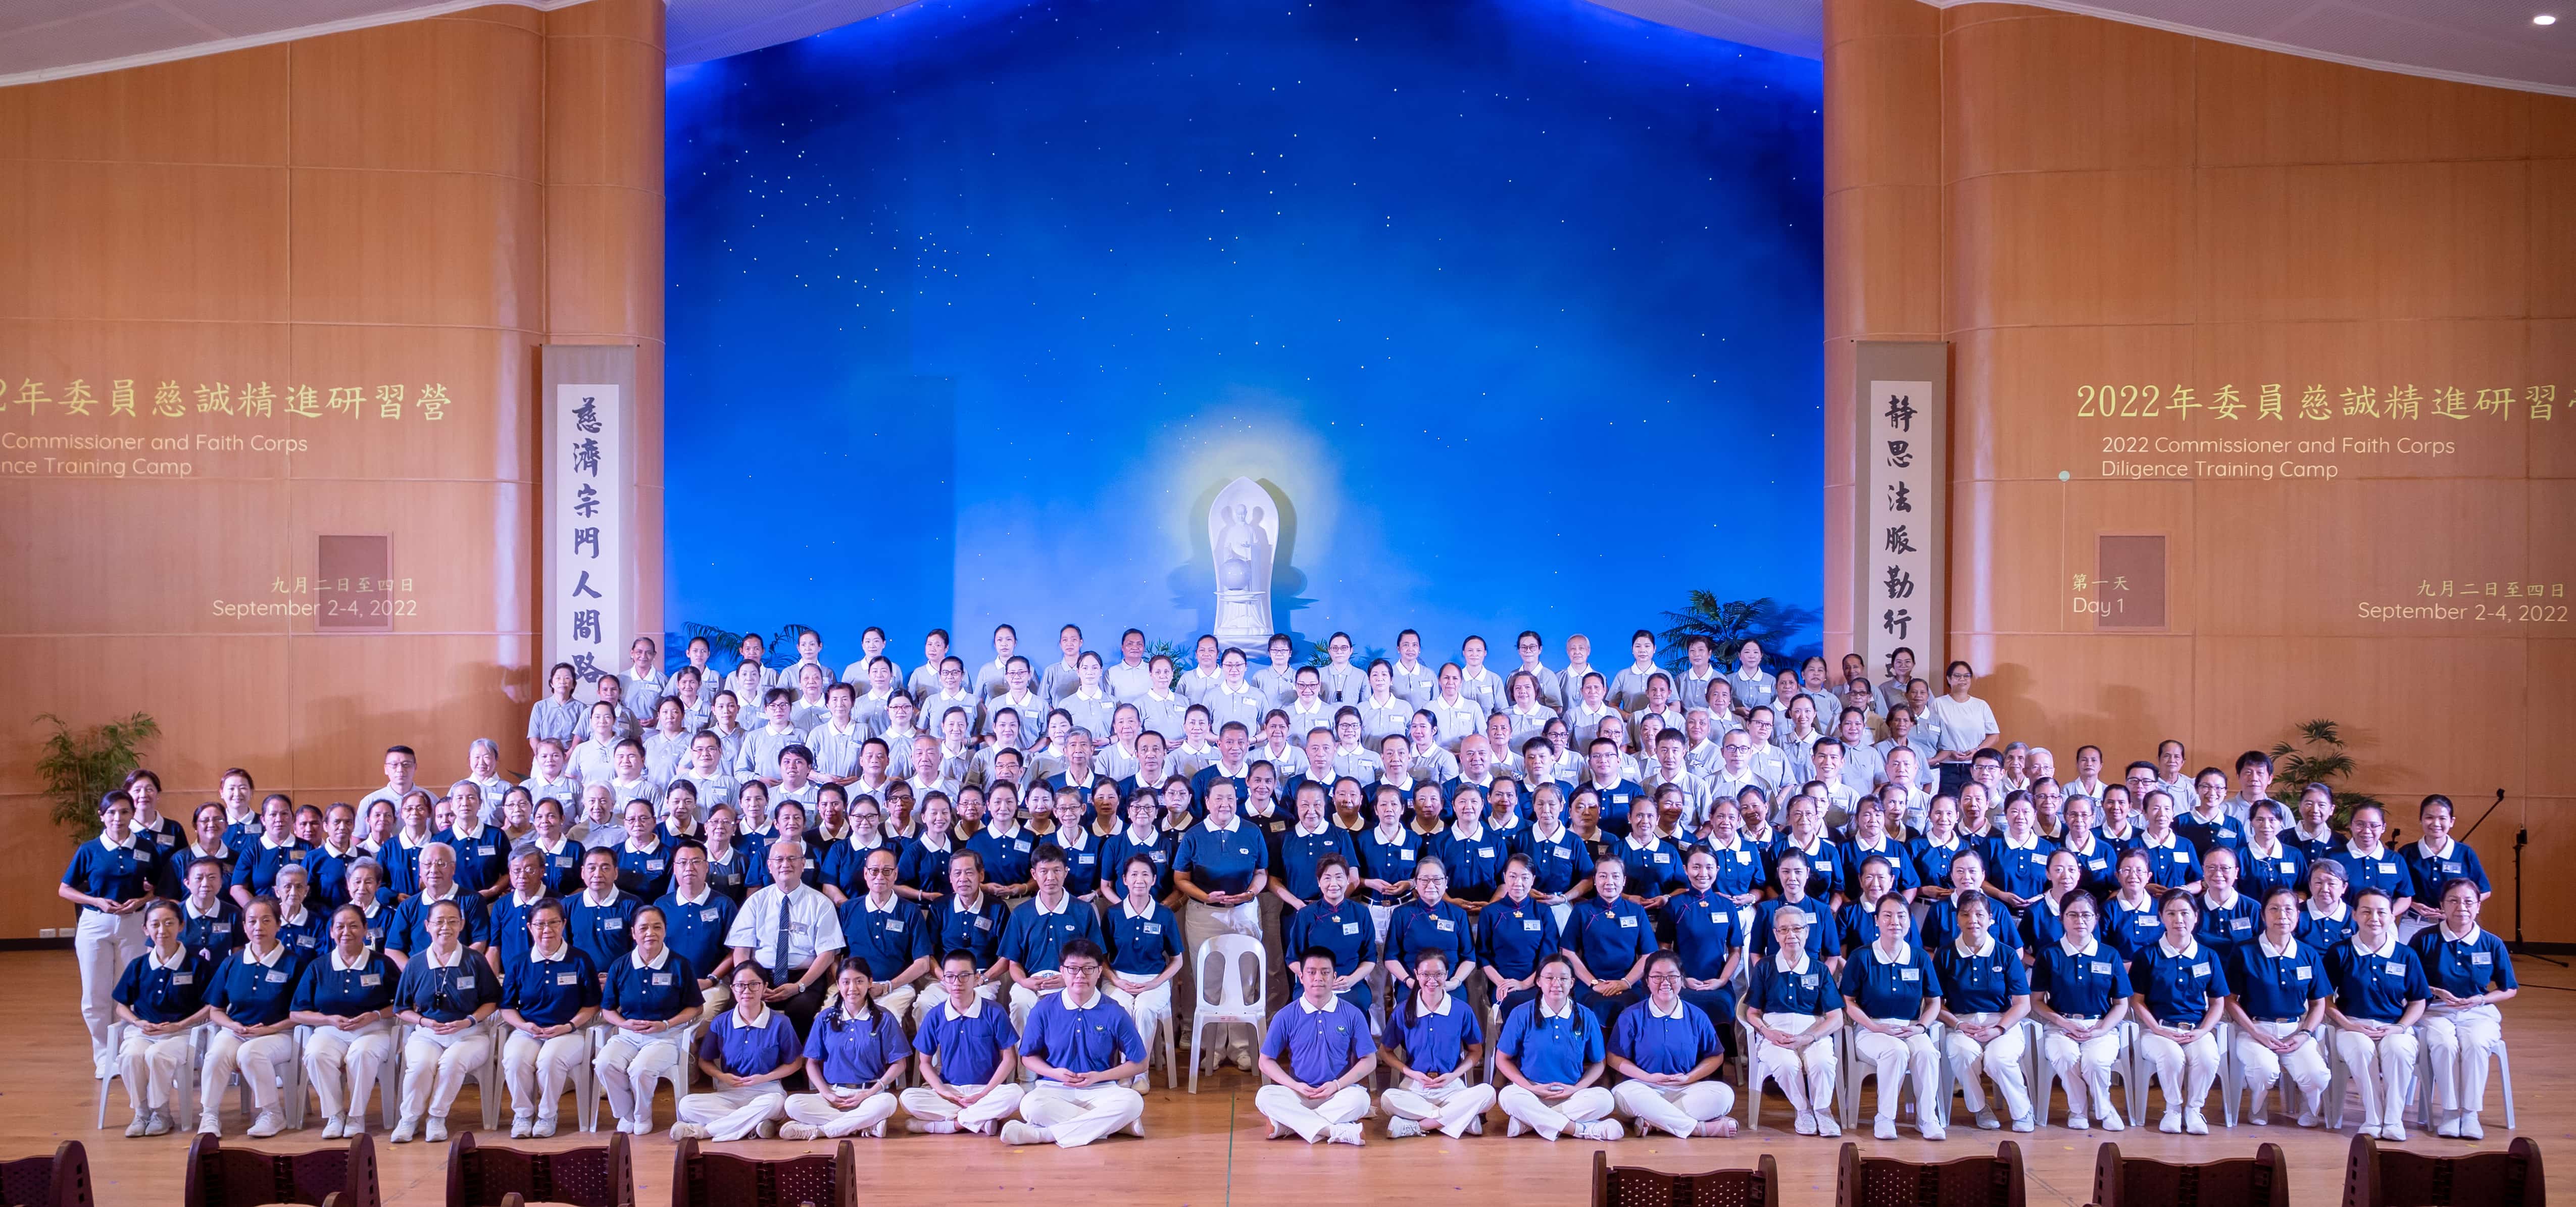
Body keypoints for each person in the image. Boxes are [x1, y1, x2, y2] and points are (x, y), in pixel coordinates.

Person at [1006, 939, 1150, 1147]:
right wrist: (1056, 1073)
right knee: (1029, 1105)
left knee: (1133, 1102)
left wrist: (1099, 1077)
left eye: (1088, 969)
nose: (1080, 976)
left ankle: (1044, 1135)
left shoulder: (1115, 1011)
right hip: (1054, 1087)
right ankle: (1114, 1125)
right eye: (1073, 969)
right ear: (1062, 972)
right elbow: (1028, 1056)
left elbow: (1141, 1063)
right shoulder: (1044, 1009)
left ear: (1100, 971)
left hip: (1102, 1088)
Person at [390, 898, 502, 1143]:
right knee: (420, 1065)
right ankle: (409, 1119)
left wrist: (469, 1021)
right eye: (439, 921)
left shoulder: (475, 960)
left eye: (453, 921)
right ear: (427, 926)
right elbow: (401, 1008)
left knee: (452, 1062)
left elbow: (492, 1001)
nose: (446, 927)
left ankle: (437, 1117)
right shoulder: (416, 963)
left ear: (462, 925)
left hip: (471, 1034)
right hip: (428, 1033)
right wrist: (423, 1022)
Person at [2412, 876, 2517, 1138]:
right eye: (2454, 901)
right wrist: (2435, 991)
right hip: (2434, 1011)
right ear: (2442, 905)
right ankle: (2449, 1111)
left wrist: (2480, 1000)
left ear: (2479, 906)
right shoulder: (2424, 939)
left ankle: (2470, 1113)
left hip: (2478, 1011)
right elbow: (2408, 983)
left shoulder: (2492, 943)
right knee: (2445, 1044)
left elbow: (2509, 989)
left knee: (2475, 1043)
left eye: (2469, 901)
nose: (2462, 907)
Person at [65, 790, 160, 1079]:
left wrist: (143, 901)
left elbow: (155, 888)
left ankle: (129, 1050)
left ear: (133, 815)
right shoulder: (89, 849)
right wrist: (96, 901)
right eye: (112, 813)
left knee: (129, 990)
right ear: (102, 816)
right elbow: (65, 888)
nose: (118, 819)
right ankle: (104, 1056)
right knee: (95, 994)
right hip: (96, 924)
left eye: (124, 812)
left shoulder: (146, 847)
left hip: (134, 924)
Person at [1173, 780, 1269, 1066]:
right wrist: (1206, 896)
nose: (1224, 804)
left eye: (1230, 798)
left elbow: (1262, 872)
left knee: (1246, 979)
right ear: (1207, 802)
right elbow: (1180, 878)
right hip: (1205, 914)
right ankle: (1212, 1048)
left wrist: (1251, 892)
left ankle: (1241, 1047)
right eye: (1218, 799)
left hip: (1245, 912)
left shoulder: (1251, 832)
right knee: (1209, 981)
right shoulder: (1194, 835)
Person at [290, 903, 401, 1139]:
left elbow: (403, 1004)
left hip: (373, 1029)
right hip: (330, 1029)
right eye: (340, 927)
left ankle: (356, 1116)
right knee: (315, 1055)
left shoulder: (382, 964)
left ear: (365, 930)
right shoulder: (318, 967)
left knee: (361, 1054)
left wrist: (376, 1015)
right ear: (331, 932)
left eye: (354, 926)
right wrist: (327, 1019)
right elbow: (296, 1013)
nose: (346, 932)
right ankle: (335, 1114)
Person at [2324, 889, 2427, 1141]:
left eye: (2382, 912)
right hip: (2352, 1026)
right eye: (2366, 911)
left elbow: (2418, 1001)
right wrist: (2348, 1025)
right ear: (2355, 915)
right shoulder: (2340, 952)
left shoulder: (2406, 955)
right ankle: (2373, 1117)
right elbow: (2324, 1001)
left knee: (2399, 1050)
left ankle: (2393, 1120)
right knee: (2360, 1048)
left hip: (2394, 1026)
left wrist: (2400, 1028)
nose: (2375, 918)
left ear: (2392, 917)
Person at [2224, 887, 2331, 1128]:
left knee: (2317, 1075)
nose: (2282, 915)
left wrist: (2305, 1033)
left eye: (2288, 909)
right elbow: (2230, 1000)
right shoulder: (2245, 951)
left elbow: (2318, 1003)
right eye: (2274, 909)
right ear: (2263, 915)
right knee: (2264, 1069)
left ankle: (2310, 1106)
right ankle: (2257, 1106)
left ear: (2298, 915)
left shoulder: (2308, 954)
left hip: (2296, 1031)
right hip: (2255, 1029)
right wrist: (2255, 1032)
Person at [595, 904, 706, 1135]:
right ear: (633, 933)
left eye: (657, 927)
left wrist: (666, 1024)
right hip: (628, 1035)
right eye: (643, 928)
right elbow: (608, 1010)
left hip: (666, 1037)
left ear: (665, 931)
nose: (650, 933)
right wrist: (623, 1024)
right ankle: (627, 1113)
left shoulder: (680, 965)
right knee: (604, 1064)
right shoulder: (621, 965)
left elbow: (696, 1007)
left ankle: (642, 1116)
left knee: (641, 1069)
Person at [1842, 893, 1943, 1140]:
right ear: (1876, 920)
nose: (1894, 921)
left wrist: (1921, 1027)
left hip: (1910, 1028)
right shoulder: (1861, 956)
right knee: (1895, 1052)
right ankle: (1885, 1118)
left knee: (1928, 1052)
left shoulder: (1919, 957)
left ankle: (1927, 1118)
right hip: (1870, 1030)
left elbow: (1934, 1002)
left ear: (1909, 922)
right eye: (1887, 915)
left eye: (1901, 916)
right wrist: (1875, 1028)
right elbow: (1848, 1003)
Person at [497, 899, 601, 1137]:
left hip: (570, 1031)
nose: (547, 930)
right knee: (514, 1059)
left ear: (564, 924)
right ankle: (523, 1114)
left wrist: (569, 1026)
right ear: (530, 927)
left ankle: (547, 1114)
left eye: (553, 923)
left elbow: (592, 1004)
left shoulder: (580, 960)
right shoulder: (519, 963)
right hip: (529, 1029)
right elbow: (507, 1007)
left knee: (550, 1060)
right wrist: (524, 1025)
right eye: (540, 924)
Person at [1253, 948, 1378, 1146]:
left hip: (1338, 1092)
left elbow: (1370, 1060)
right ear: (1301, 977)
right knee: (1265, 1096)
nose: (1318, 978)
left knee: (1361, 1100)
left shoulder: (1352, 1014)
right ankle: (1336, 1130)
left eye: (1325, 972)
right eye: (1311, 972)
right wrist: (1295, 1086)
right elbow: (1265, 1061)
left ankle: (1289, 1125)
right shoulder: (1285, 1016)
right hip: (1299, 1092)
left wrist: (1337, 1085)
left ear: (1334, 976)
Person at [1607, 950, 1737, 1139]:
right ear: (1647, 981)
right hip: (1645, 1088)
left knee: (1724, 1095)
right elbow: (1614, 1057)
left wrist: (1689, 1078)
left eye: (1672, 977)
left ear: (1683, 980)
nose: (1665, 983)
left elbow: (1715, 1056)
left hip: (1686, 1089)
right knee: (1622, 1094)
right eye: (1657, 977)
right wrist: (1648, 1078)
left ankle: (1654, 1123)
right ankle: (1699, 1129)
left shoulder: (1697, 1016)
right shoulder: (1632, 1016)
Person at [1934, 891, 2035, 1131]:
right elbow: (1935, 1003)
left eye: (1980, 914)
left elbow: (2023, 1003)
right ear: (1957, 919)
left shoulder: (2007, 954)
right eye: (1965, 914)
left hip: (2002, 1022)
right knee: (1962, 1053)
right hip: (1961, 1023)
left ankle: (2022, 1110)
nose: (1973, 920)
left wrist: (1999, 1029)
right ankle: (1980, 1108)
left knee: (1997, 1059)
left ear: (1991, 918)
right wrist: (1957, 1025)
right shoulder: (1945, 955)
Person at [1493, 954, 1621, 1141]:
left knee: (1606, 1099)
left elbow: (1599, 1063)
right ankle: (1582, 1130)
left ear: (1572, 983)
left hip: (1570, 1095)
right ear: (1538, 981)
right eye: (1550, 978)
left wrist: (1577, 1088)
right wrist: (1531, 1088)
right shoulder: (1521, 1013)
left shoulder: (1586, 1016)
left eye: (1563, 978)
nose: (1557, 983)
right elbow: (1502, 1059)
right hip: (1531, 1092)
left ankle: (1530, 1122)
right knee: (1507, 1096)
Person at [2029, 889, 2129, 1131]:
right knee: (2066, 1057)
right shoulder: (2049, 954)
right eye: (2072, 915)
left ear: (2096, 918)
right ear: (2061, 918)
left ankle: (2103, 1108)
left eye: (2086, 915)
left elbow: (2121, 1004)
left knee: (2095, 1062)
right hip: (2060, 1026)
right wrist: (2062, 1023)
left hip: (2100, 1026)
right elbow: (2037, 1001)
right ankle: (2078, 1110)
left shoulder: (2110, 955)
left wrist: (2101, 1029)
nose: (2080, 921)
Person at [110, 900, 210, 1137]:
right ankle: (142, 1112)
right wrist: (137, 1022)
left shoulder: (197, 964)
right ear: (146, 930)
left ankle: (162, 1113)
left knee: (157, 1056)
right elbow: (120, 1007)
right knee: (131, 1056)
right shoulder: (138, 965)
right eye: (155, 925)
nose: (162, 931)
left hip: (183, 1033)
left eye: (169, 923)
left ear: (181, 926)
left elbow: (211, 1006)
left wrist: (182, 1024)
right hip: (143, 1031)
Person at [670, 964, 804, 1140]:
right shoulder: (721, 1022)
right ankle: (755, 1125)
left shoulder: (780, 1022)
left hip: (766, 1092)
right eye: (740, 985)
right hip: (729, 1092)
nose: (746, 990)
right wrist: (722, 1077)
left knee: (776, 1103)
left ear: (764, 987)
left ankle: (702, 1131)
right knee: (686, 1105)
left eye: (754, 984)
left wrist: (764, 1078)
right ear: (733, 988)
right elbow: (705, 1061)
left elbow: (795, 1062)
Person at [2129, 889, 2225, 1134]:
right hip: (2157, 1030)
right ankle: (2173, 1109)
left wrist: (2204, 1031)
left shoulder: (2208, 956)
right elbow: (2137, 1001)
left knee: (2207, 1057)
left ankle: (2194, 1110)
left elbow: (2217, 1002)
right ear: (2161, 917)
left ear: (2196, 916)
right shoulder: (2147, 955)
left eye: (2185, 913)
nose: (2178, 919)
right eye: (2171, 913)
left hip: (2195, 1029)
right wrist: (2157, 1028)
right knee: (2172, 1057)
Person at [725, 839, 845, 1035]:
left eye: (792, 859)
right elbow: (742, 949)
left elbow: (827, 955)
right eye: (779, 859)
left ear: (803, 864)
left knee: (800, 1012)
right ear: (770, 866)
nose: (785, 864)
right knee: (739, 1009)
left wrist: (799, 986)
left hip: (805, 977)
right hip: (759, 975)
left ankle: (793, 1064)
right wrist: (749, 983)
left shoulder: (821, 904)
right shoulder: (756, 902)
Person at [780, 962, 910, 1139]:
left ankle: (820, 1131)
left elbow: (900, 1063)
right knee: (793, 1103)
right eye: (846, 982)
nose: (852, 988)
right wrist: (826, 1093)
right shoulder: (825, 1018)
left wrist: (871, 1092)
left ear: (870, 983)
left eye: (859, 981)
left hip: (869, 1094)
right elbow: (811, 1063)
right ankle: (863, 1126)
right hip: (834, 1095)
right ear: (838, 984)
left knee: (888, 1102)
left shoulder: (884, 1018)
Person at [902, 950, 1026, 1135]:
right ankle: (980, 1120)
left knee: (1016, 1094)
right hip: (950, 1090)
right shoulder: (936, 1015)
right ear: (943, 979)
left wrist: (984, 1094)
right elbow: (925, 1063)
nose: (957, 983)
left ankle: (949, 1125)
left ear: (976, 978)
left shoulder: (994, 1012)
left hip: (986, 1089)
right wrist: (944, 1092)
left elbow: (1009, 1059)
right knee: (907, 1098)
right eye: (950, 977)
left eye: (964, 976)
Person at [1744, 908, 1844, 1136]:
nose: (1792, 935)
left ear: (1807, 932)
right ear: (1776, 934)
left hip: (1813, 1032)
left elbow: (1836, 1017)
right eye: (1784, 930)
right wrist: (1767, 1033)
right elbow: (1752, 1013)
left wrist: (1810, 1037)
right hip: (1775, 1033)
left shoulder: (1819, 969)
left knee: (1823, 1063)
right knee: (1787, 1065)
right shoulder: (1765, 967)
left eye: (1797, 928)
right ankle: (1804, 1110)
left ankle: (1823, 1111)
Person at [1376, 949, 1494, 1138]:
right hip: (1416, 1087)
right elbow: (1385, 1051)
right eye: (1425, 975)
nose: (1432, 980)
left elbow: (1475, 1051)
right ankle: (1461, 1118)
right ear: (1416, 975)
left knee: (1488, 1093)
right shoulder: (1403, 1011)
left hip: (1451, 1086)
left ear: (1447, 975)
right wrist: (1411, 1073)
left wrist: (1453, 1075)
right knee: (1388, 1099)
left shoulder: (1462, 1010)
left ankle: (1419, 1126)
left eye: (1438, 974)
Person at [999, 845, 1107, 1028]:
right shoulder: (1021, 914)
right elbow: (1014, 963)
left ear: (1066, 872)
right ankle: (1024, 1056)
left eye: (1057, 871)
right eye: (1044, 872)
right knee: (1020, 1003)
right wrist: (1026, 982)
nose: (1051, 878)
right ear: (1034, 874)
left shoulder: (1084, 911)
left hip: (1073, 981)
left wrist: (1070, 979)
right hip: (1032, 982)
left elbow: (1097, 960)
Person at [1101, 854, 1186, 1073]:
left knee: (1145, 1009)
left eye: (1145, 874)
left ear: (1154, 880)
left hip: (1153, 981)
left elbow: (1177, 961)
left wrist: (1154, 984)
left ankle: (1140, 1072)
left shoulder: (1164, 915)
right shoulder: (1112, 914)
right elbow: (1101, 958)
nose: (1140, 880)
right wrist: (1116, 982)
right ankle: (1123, 1070)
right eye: (1134, 874)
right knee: (1123, 1010)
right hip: (1118, 980)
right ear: (1125, 880)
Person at [1561, 857, 1656, 1024]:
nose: (1609, 882)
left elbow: (1648, 955)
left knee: (1633, 1009)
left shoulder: (1637, 911)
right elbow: (1568, 952)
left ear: (1624, 881)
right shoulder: (1582, 911)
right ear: (1595, 881)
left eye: (1616, 876)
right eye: (1603, 876)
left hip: (1630, 983)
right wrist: (1594, 983)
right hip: (1589, 984)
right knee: (1592, 1009)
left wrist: (1625, 983)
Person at [1281, 854, 1377, 1014]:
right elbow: (1293, 959)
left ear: (1347, 880)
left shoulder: (1361, 913)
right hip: (1313, 984)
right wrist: (1315, 980)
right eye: (1327, 878)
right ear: (1319, 882)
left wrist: (1351, 980)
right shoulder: (1306, 915)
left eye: (1339, 877)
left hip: (1351, 983)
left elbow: (1370, 958)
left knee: (1358, 1001)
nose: (1333, 884)